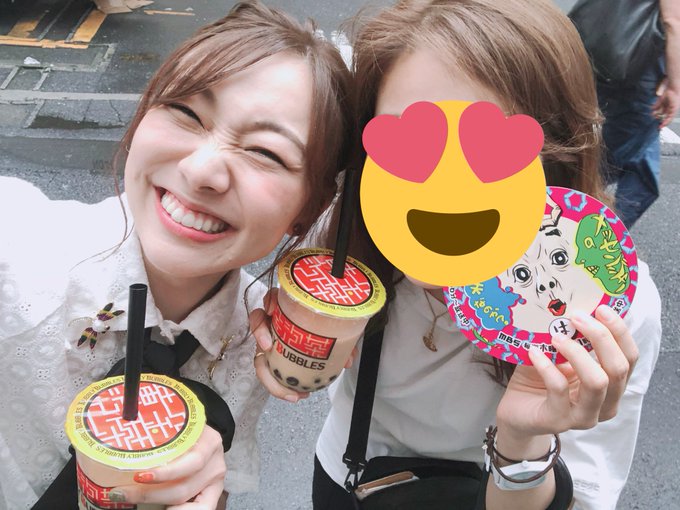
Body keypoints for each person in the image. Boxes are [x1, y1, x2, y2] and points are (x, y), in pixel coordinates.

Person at [251, 1, 662, 509]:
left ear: (558, 153)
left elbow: (587, 491)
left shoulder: (606, 304)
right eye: (409, 144)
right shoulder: (342, 236)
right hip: (350, 478)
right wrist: (281, 344)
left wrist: (522, 443)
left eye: (486, 148)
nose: (446, 184)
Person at [0, 1, 353, 509]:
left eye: (265, 152)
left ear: (308, 210)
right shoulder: (20, 249)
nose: (202, 170)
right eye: (186, 113)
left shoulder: (251, 343)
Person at [595, 0, 680, 228]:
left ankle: (571, 219)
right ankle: (595, 238)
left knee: (615, 158)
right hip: (641, 69)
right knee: (639, 176)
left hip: (612, 57)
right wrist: (675, 86)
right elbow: (673, 20)